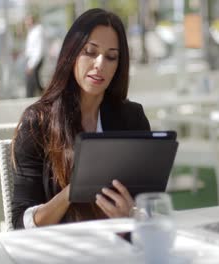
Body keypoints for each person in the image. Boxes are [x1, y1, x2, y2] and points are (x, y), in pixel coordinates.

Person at [12, 8, 150, 229]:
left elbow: (150, 202)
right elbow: (21, 222)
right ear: (72, 53)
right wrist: (72, 191)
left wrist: (132, 213)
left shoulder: (132, 118)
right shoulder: (37, 121)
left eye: (111, 56)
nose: (100, 64)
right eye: (90, 52)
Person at [24, 13, 45, 97]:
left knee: (32, 80)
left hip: (36, 59)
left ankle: (31, 97)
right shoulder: (32, 31)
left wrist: (31, 65)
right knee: (34, 81)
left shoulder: (38, 31)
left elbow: (38, 49)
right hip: (32, 59)